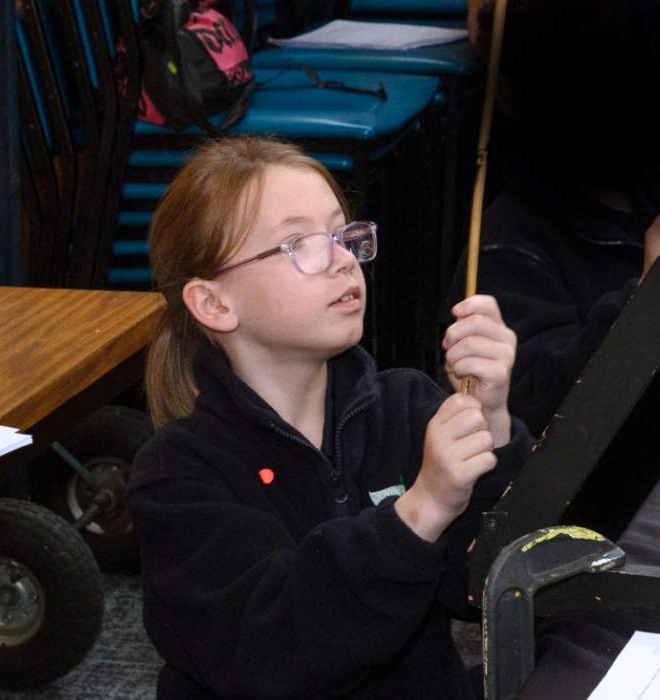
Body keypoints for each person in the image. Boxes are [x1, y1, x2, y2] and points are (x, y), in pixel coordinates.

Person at [127, 136, 532, 698]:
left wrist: (494, 425)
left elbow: (488, 588)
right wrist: (420, 510)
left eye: (343, 234)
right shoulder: (178, 475)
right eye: (298, 243)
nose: (343, 258)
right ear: (215, 304)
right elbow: (273, 656)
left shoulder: (408, 408)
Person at [461, 0, 660, 538]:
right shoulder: (508, 247)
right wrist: (652, 296)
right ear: (518, 97)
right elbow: (543, 419)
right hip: (607, 533)